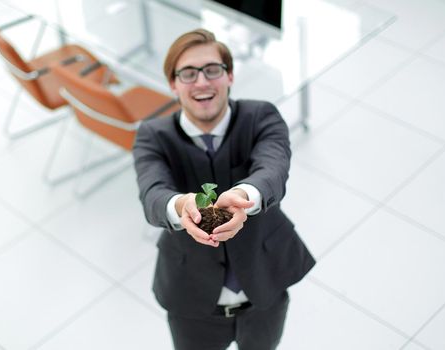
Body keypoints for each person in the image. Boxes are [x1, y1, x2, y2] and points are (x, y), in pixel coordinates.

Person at [132, 28, 315, 350]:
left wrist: (244, 196)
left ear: (230, 75)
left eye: (212, 70)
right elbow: (152, 192)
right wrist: (180, 205)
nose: (202, 82)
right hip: (190, 301)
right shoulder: (152, 134)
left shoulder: (262, 116)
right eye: (188, 73)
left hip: (265, 288)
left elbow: (272, 169)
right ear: (173, 84)